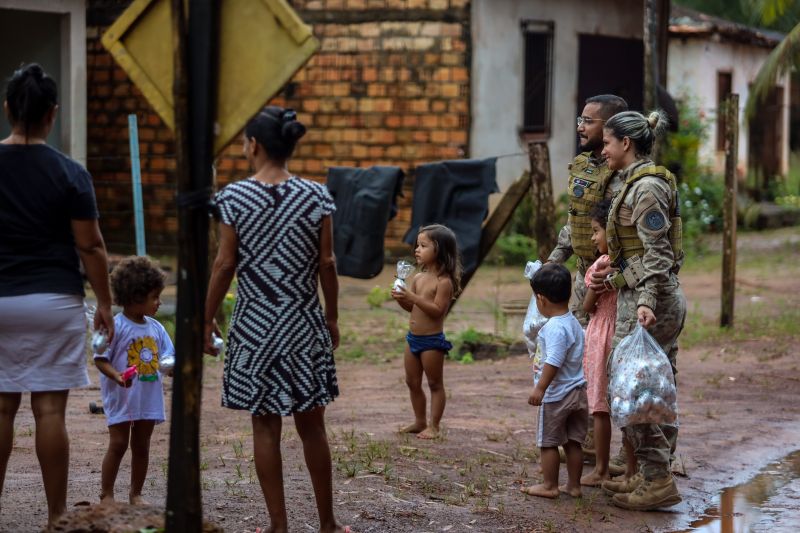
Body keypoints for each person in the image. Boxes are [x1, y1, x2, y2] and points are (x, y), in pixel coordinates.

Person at [204, 106, 346, 533]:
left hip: (255, 324)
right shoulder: (317, 196)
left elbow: (224, 264)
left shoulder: (232, 198)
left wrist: (205, 317)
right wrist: (332, 317)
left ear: (254, 145)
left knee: (265, 426)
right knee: (312, 425)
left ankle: (278, 526)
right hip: (303, 321)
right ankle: (327, 524)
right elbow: (328, 263)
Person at [0, 63, 114, 526]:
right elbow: (90, 245)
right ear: (53, 115)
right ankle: (55, 516)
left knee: (2, 406)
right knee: (50, 410)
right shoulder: (70, 173)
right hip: (54, 302)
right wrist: (106, 303)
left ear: (8, 109)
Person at [592, 110, 685, 510]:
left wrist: (645, 300)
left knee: (636, 389)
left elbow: (658, 253)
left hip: (651, 301)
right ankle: (647, 475)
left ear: (626, 144)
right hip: (646, 296)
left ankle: (657, 478)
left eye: (607, 142)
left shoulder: (646, 188)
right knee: (649, 387)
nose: (603, 149)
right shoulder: (634, 184)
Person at [547, 94, 628, 470]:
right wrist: (554, 260)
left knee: (606, 364)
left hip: (611, 280)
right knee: (579, 360)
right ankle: (582, 443)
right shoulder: (581, 165)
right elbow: (576, 220)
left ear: (611, 127)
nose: (580, 126)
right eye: (580, 119)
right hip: (584, 273)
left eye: (589, 121)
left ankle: (612, 454)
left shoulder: (626, 173)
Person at [93, 256, 172, 505]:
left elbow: (169, 355)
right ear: (136, 297)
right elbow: (100, 357)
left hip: (148, 397)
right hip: (122, 397)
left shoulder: (157, 328)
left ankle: (135, 494)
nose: (159, 303)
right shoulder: (116, 327)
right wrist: (116, 376)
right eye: (154, 297)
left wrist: (170, 365)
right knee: (118, 444)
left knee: (142, 447)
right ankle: (107, 493)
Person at [521, 263, 587, 499]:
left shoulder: (554, 328)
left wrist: (540, 388)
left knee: (548, 442)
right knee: (572, 442)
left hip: (557, 395)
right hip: (578, 391)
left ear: (541, 299)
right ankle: (574, 486)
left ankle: (550, 485)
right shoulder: (573, 323)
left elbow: (554, 360)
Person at [392, 224, 461, 441]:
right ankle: (419, 421)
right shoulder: (419, 278)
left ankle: (434, 426)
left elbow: (437, 311)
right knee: (412, 382)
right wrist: (402, 300)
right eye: (417, 245)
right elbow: (413, 308)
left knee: (434, 384)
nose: (417, 250)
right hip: (412, 338)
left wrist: (412, 298)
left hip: (432, 341)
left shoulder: (444, 282)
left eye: (423, 246)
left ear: (439, 250)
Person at [577, 200, 622, 487]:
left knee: (600, 405)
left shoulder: (602, 265)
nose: (594, 237)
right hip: (620, 330)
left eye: (597, 231)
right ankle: (629, 469)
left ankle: (602, 469)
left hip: (601, 333)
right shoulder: (625, 261)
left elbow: (587, 306)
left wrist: (592, 288)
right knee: (623, 403)